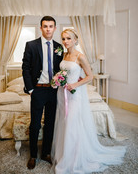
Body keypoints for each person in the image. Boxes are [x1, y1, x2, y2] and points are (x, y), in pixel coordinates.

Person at [51, 28, 126, 174]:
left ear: (75, 40)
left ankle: (74, 159)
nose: (65, 41)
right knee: (63, 123)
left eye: (68, 38)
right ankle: (63, 155)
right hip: (62, 94)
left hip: (74, 95)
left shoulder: (81, 56)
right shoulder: (64, 54)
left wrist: (75, 84)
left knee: (72, 124)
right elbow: (63, 72)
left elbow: (90, 76)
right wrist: (57, 80)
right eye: (64, 39)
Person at [22, 16, 63, 169]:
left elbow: (61, 68)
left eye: (51, 26)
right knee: (35, 125)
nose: (48, 29)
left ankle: (45, 153)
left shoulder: (59, 47)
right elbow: (25, 68)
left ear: (55, 28)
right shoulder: (31, 45)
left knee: (50, 123)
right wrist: (31, 89)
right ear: (41, 28)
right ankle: (33, 155)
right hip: (37, 90)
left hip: (53, 91)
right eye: (45, 26)